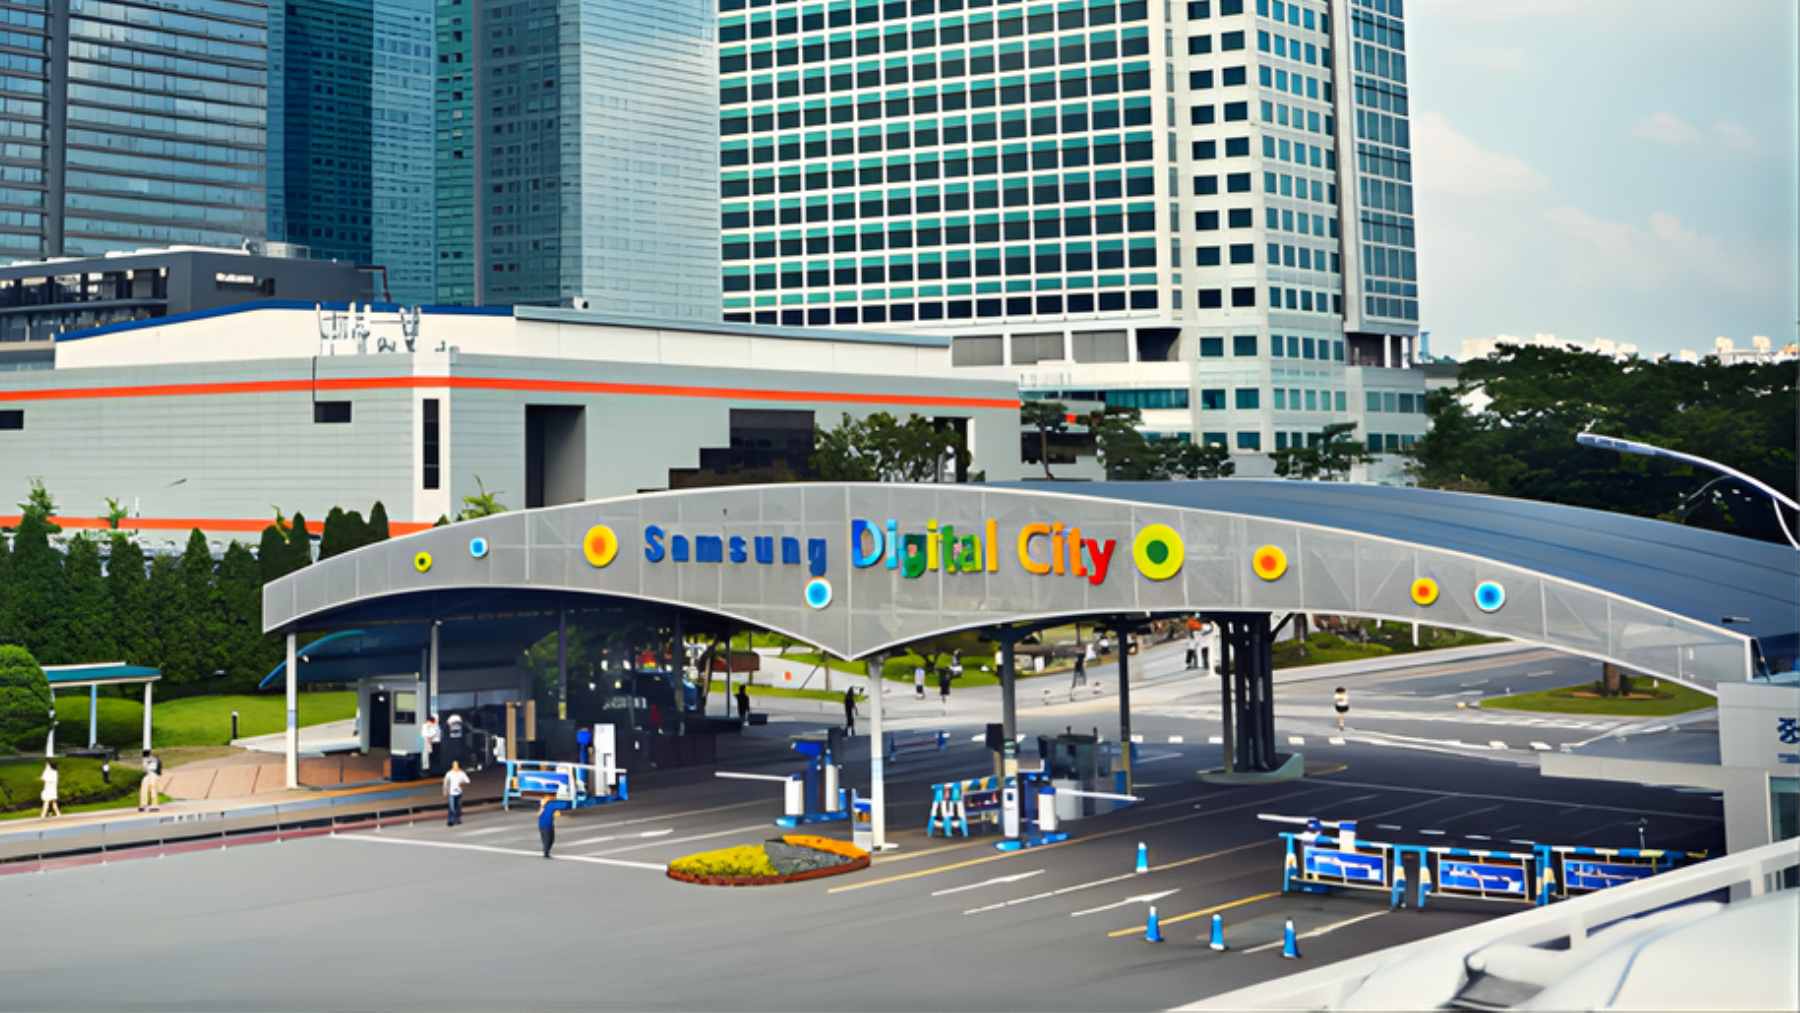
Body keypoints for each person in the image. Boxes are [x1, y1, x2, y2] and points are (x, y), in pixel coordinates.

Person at [443, 760, 470, 826]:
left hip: (459, 792)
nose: (455, 766)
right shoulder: (449, 773)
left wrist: (462, 783)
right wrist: (445, 790)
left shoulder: (461, 773)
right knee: (451, 807)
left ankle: (457, 819)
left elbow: (468, 781)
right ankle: (450, 820)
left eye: (456, 765)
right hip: (451, 793)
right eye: (454, 765)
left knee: (458, 807)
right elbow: (445, 782)